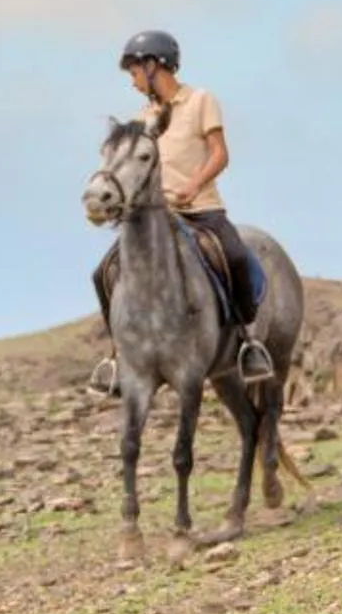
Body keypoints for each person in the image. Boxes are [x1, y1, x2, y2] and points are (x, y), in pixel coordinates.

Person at [90, 29, 275, 388]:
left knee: (237, 258)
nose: (132, 81)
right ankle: (117, 355)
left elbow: (220, 154)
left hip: (202, 209)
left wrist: (192, 186)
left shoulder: (201, 101)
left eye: (134, 72)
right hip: (158, 219)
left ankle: (248, 344)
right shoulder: (143, 119)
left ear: (154, 65)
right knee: (103, 272)